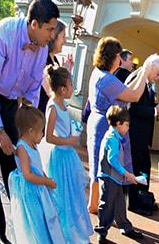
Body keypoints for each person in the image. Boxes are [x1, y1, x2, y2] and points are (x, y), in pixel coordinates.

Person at [0, 0, 59, 244]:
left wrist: (29, 130)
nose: (52, 36)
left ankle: (23, 222)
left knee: (15, 161)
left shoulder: (42, 47)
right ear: (34, 24)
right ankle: (0, 230)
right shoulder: (5, 31)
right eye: (49, 29)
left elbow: (33, 91)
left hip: (14, 101)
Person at [85, 38, 151, 214]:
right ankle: (102, 208)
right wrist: (144, 72)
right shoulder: (107, 79)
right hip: (105, 126)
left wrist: (141, 74)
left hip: (96, 122)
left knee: (96, 164)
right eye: (117, 56)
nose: (120, 60)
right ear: (111, 58)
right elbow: (134, 95)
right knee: (106, 168)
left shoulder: (98, 74)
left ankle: (93, 204)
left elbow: (125, 90)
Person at [43, 65, 93, 243]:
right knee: (62, 197)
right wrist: (69, 140)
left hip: (68, 156)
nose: (73, 88)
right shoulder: (53, 107)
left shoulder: (62, 103)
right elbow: (48, 137)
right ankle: (63, 234)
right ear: (62, 89)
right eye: (71, 85)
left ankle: (73, 233)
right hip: (59, 157)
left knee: (72, 195)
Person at [7, 103, 63, 243]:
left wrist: (46, 178)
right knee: (36, 224)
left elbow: (36, 168)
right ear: (31, 131)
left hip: (39, 190)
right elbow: (28, 174)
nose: (43, 135)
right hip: (31, 193)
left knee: (45, 221)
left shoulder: (32, 145)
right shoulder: (22, 148)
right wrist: (45, 181)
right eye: (41, 131)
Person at [95, 105, 144, 243]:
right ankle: (101, 231)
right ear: (118, 124)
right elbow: (112, 159)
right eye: (126, 125)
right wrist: (127, 174)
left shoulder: (114, 137)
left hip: (115, 178)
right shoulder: (112, 139)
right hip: (109, 177)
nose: (128, 128)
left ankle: (125, 227)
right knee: (107, 205)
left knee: (119, 204)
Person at [127, 54, 159, 216]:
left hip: (144, 136)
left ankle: (143, 199)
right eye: (158, 73)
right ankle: (134, 203)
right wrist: (155, 111)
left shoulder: (149, 82)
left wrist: (157, 108)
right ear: (150, 66)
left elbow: (146, 105)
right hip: (135, 134)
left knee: (144, 169)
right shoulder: (138, 78)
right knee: (136, 169)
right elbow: (132, 107)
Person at [38, 18, 70, 114]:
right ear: (54, 37)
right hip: (39, 113)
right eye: (63, 36)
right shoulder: (43, 60)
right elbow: (53, 93)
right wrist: (65, 74)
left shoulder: (55, 60)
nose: (65, 41)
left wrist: (65, 72)